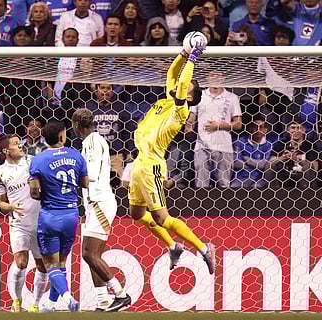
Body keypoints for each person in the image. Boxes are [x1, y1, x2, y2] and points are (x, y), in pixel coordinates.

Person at [129, 44, 217, 274]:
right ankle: (172, 245)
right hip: (139, 162)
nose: (181, 81)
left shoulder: (181, 110)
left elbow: (181, 86)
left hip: (152, 165)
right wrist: (183, 54)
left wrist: (193, 59)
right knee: (136, 214)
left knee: (160, 217)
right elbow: (171, 73)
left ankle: (203, 248)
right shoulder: (169, 99)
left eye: (188, 83)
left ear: (189, 94)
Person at [72, 108, 131, 312]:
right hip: (95, 202)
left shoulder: (93, 143)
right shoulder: (92, 141)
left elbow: (93, 174)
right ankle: (103, 301)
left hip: (99, 201)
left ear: (77, 125)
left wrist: (69, 176)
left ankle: (120, 294)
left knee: (89, 254)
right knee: (93, 255)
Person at [28, 121, 89, 312]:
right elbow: (85, 183)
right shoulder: (75, 155)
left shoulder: (38, 160)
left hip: (50, 216)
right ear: (62, 137)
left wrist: (46, 190)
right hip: (71, 214)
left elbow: (34, 192)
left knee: (50, 264)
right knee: (61, 263)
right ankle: (51, 305)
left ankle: (68, 298)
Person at [0, 134, 48, 313]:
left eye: (20, 143)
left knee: (42, 266)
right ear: (6, 150)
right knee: (21, 262)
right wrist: (10, 206)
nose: (21, 146)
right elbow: (1, 203)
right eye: (16, 144)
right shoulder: (0, 173)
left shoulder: (32, 162)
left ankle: (36, 304)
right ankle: (16, 302)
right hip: (19, 224)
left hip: (40, 222)